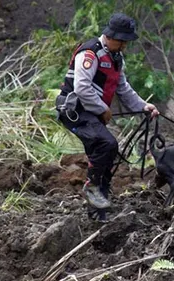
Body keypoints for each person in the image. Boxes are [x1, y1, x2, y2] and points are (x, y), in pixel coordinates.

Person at [55, 13, 159, 221]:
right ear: (109, 36)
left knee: (106, 153)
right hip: (75, 111)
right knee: (107, 144)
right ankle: (92, 188)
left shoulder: (116, 58)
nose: (124, 46)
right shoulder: (89, 54)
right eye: (121, 41)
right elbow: (81, 88)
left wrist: (143, 107)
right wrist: (103, 108)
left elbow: (123, 89)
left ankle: (98, 211)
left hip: (92, 113)